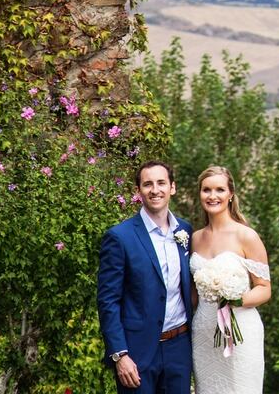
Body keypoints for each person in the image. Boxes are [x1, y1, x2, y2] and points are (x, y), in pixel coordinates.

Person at [97, 161, 194, 394]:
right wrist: (120, 354)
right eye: (147, 184)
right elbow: (108, 300)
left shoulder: (185, 231)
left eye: (161, 183)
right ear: (138, 190)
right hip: (136, 351)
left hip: (179, 348)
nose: (155, 189)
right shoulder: (119, 237)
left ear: (172, 187)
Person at [190, 166, 271, 393]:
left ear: (230, 194)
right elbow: (192, 294)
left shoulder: (246, 236)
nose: (212, 196)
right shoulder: (195, 238)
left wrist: (235, 298)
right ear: (200, 194)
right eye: (206, 190)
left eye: (219, 189)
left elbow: (264, 289)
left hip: (241, 332)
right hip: (204, 331)